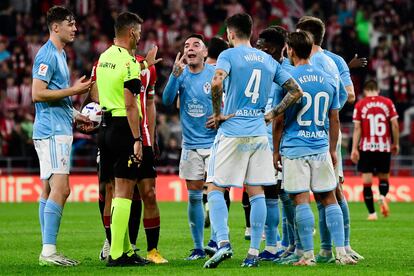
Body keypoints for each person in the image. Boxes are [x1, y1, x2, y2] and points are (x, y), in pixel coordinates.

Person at [204, 13, 303, 268]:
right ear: (251, 31)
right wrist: (271, 113)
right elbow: (296, 91)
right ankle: (252, 253)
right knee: (257, 191)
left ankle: (223, 243)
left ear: (230, 33)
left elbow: (216, 83)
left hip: (232, 131)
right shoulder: (266, 59)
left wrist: (217, 115)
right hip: (259, 132)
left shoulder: (227, 55)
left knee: (215, 187)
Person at [275, 30, 349, 266]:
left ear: (291, 50)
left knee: (301, 200)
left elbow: (279, 120)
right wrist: (333, 149)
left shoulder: (287, 78)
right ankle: (342, 253)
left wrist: (275, 150)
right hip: (320, 145)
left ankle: (307, 256)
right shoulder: (328, 79)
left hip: (295, 147)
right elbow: (334, 118)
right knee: (329, 198)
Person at [96, 11, 161, 266]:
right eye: (140, 33)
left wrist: (147, 64)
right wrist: (137, 139)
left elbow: (121, 76)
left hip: (105, 126)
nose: (140, 38)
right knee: (125, 190)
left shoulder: (104, 58)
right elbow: (131, 104)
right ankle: (117, 254)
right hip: (124, 127)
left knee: (114, 188)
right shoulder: (129, 62)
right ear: (132, 33)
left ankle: (123, 249)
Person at [296, 16, 363, 263]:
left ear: (307, 35)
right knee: (321, 191)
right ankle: (326, 249)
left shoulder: (331, 61)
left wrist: (323, 114)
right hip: (321, 130)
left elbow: (349, 94)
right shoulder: (328, 60)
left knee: (331, 190)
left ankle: (341, 246)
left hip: (320, 131)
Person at [32, 5, 92, 266]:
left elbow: (55, 97)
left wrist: (76, 114)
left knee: (48, 188)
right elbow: (38, 93)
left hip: (57, 127)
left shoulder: (60, 54)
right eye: (70, 23)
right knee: (62, 188)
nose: (75, 28)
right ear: (55, 27)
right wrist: (74, 90)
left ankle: (48, 249)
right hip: (52, 132)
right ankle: (48, 251)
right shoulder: (46, 55)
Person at [162, 34, 219, 260]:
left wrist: (220, 116)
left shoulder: (215, 74)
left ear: (205, 53)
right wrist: (174, 76)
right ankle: (197, 247)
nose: (190, 48)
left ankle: (216, 241)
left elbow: (230, 98)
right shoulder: (181, 75)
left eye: (196, 45)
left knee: (215, 195)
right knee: (195, 197)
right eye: (187, 46)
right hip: (191, 145)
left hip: (215, 143)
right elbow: (167, 101)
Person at [351, 80, 399, 220]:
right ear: (378, 90)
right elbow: (395, 125)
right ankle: (382, 196)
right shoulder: (388, 103)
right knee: (384, 178)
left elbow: (358, 128)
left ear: (365, 91)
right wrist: (395, 143)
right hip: (384, 147)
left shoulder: (360, 104)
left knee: (367, 182)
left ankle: (372, 214)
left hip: (366, 148)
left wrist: (355, 148)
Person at [203, 36, 230, 230]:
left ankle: (206, 206)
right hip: (224, 132)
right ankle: (220, 230)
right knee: (222, 185)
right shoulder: (227, 71)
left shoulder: (193, 70)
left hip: (197, 135)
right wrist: (219, 115)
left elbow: (179, 103)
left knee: (204, 186)